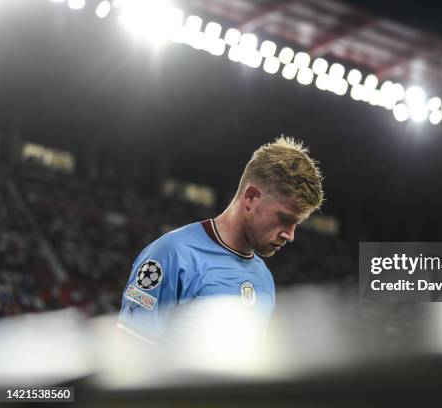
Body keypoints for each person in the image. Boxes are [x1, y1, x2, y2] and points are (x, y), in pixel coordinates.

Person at [115, 136, 324, 345]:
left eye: (296, 224)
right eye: (285, 219)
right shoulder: (171, 255)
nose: (290, 235)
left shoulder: (265, 279)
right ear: (251, 197)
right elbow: (129, 355)